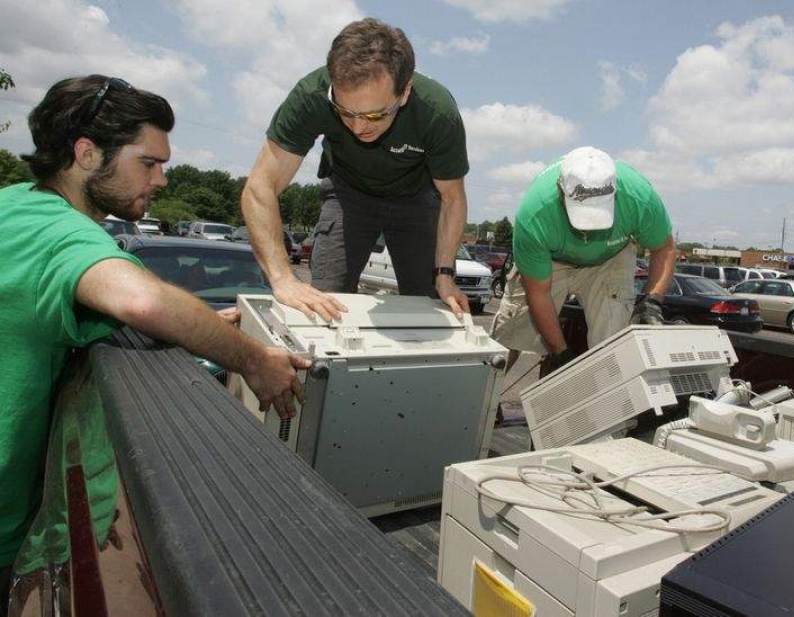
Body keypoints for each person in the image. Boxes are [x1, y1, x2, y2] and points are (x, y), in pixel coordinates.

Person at [0, 75, 309, 600]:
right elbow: (141, 301)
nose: (162, 179)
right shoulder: (63, 230)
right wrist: (255, 361)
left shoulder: (15, 205)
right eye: (149, 162)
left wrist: (206, 325)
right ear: (87, 153)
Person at [242, 17, 470, 320]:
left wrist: (444, 274)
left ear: (404, 93)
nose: (358, 127)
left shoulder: (437, 112)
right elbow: (260, 187)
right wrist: (283, 278)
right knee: (323, 303)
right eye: (345, 112)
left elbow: (453, 198)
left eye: (375, 115)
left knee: (431, 305)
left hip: (415, 201)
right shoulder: (312, 96)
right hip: (349, 196)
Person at [490, 147, 676, 371]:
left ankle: (610, 403)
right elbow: (538, 293)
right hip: (551, 260)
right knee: (511, 333)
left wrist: (652, 300)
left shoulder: (639, 197)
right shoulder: (535, 215)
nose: (587, 233)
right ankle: (485, 400)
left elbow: (664, 248)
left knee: (612, 346)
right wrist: (561, 352)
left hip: (610, 258)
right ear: (561, 191)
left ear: (614, 192)